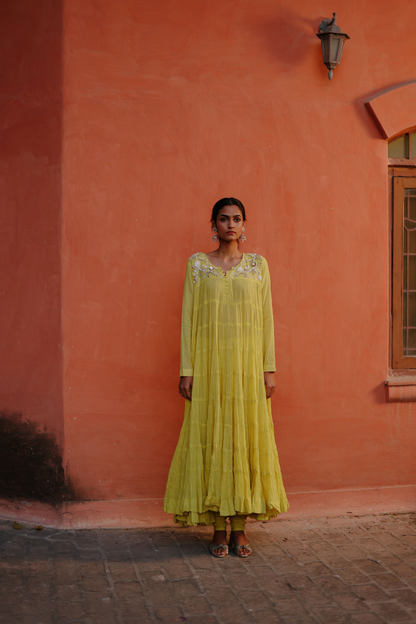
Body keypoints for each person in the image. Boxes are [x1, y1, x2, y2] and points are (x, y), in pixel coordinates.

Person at [164, 198, 288, 557]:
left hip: (247, 371)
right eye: (223, 219)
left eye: (236, 219)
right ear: (213, 225)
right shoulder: (198, 266)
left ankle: (239, 529)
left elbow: (266, 319)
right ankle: (218, 529)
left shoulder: (257, 266)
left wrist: (268, 367)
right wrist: (187, 370)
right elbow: (187, 319)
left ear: (244, 224)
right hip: (209, 369)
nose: (230, 224)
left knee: (245, 440)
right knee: (213, 437)